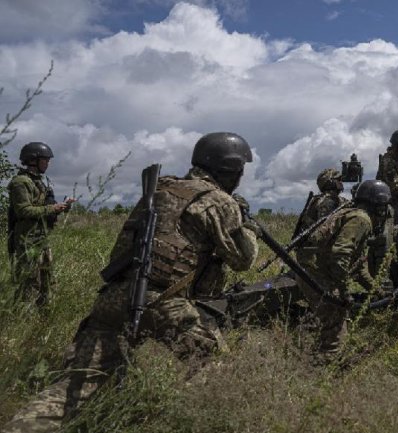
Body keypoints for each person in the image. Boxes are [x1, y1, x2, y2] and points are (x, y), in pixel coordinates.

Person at [2, 132, 259, 433]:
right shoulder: (219, 201)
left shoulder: (160, 189)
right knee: (216, 366)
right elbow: (243, 260)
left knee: (77, 384)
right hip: (164, 301)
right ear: (232, 169)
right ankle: (189, 421)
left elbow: (122, 250)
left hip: (113, 297)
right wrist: (246, 224)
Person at [295, 179, 391, 355]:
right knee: (335, 318)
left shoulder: (352, 214)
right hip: (316, 274)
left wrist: (377, 291)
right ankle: (327, 366)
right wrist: (344, 293)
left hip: (310, 271)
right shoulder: (362, 220)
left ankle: (322, 359)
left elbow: (358, 268)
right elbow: (341, 255)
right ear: (379, 206)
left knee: (335, 322)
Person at [7, 141, 75, 306]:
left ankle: (44, 315)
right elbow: (24, 211)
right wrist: (52, 208)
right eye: (45, 159)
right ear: (33, 160)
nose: (48, 163)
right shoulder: (20, 183)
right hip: (28, 241)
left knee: (47, 281)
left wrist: (63, 206)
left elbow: (44, 209)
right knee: (29, 282)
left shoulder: (38, 182)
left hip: (42, 239)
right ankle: (23, 321)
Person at [293, 168, 349, 236]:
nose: (341, 182)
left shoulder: (336, 199)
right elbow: (325, 228)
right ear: (330, 182)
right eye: (338, 180)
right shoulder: (326, 201)